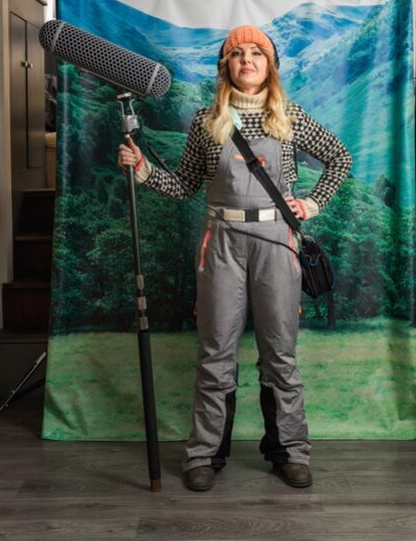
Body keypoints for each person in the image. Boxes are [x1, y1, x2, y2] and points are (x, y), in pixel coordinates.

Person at [117, 25, 352, 491]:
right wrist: (143, 170)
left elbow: (339, 159)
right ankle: (204, 454)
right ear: (226, 66)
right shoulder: (207, 121)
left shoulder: (291, 117)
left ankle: (289, 451)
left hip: (275, 241)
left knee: (280, 354)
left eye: (256, 53)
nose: (247, 60)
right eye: (237, 54)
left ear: (270, 65)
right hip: (220, 240)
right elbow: (184, 186)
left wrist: (312, 203)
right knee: (214, 354)